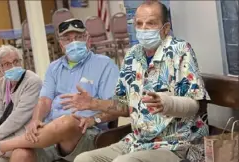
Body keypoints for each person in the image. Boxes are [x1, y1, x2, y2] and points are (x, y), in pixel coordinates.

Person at [63, 2, 210, 162]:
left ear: (166, 28)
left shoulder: (180, 50)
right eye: (139, 23)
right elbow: (125, 106)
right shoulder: (133, 55)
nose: (144, 28)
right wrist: (93, 103)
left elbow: (195, 105)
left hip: (177, 143)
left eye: (151, 23)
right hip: (138, 141)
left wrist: (166, 103)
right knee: (84, 159)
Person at [0, 18, 120, 162]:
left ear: (88, 39)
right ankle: (0, 147)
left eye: (78, 37)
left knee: (67, 121)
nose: (73, 42)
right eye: (67, 39)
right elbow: (44, 100)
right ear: (61, 45)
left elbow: (116, 106)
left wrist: (94, 117)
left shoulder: (105, 65)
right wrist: (36, 120)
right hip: (50, 134)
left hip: (84, 133)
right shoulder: (54, 68)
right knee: (21, 154)